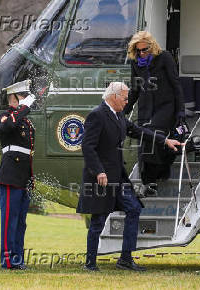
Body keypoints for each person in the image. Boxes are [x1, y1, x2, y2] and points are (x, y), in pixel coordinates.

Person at [76, 82, 182, 271]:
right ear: (114, 97)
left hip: (118, 178)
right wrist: (99, 171)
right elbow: (88, 147)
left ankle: (125, 259)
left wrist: (165, 141)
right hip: (102, 178)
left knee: (133, 209)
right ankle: (90, 264)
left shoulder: (119, 116)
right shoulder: (97, 115)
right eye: (125, 98)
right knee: (98, 220)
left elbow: (139, 131)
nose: (127, 102)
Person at [124, 31, 186, 197]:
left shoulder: (164, 57)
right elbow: (135, 89)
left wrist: (181, 111)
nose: (142, 53)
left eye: (145, 50)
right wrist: (124, 111)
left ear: (152, 47)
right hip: (146, 107)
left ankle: (161, 170)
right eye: (138, 51)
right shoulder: (136, 62)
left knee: (153, 135)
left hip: (166, 106)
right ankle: (149, 183)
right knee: (145, 143)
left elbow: (176, 85)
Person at [0, 80, 36, 270]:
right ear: (12, 97)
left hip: (23, 176)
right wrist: (24, 107)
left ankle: (18, 258)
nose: (26, 99)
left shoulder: (24, 120)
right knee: (9, 221)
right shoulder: (5, 117)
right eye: (22, 96)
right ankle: (8, 260)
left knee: (21, 222)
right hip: (11, 174)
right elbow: (8, 128)